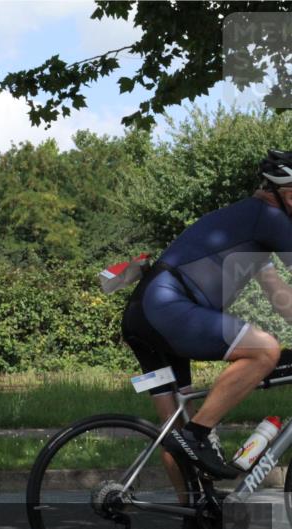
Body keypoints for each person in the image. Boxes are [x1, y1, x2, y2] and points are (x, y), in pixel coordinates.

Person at [121, 149, 292, 485]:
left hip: (144, 315)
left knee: (173, 432)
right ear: (287, 193)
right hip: (169, 307)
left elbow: (280, 297)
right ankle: (200, 434)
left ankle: (194, 525)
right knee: (265, 351)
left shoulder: (247, 224)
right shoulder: (271, 221)